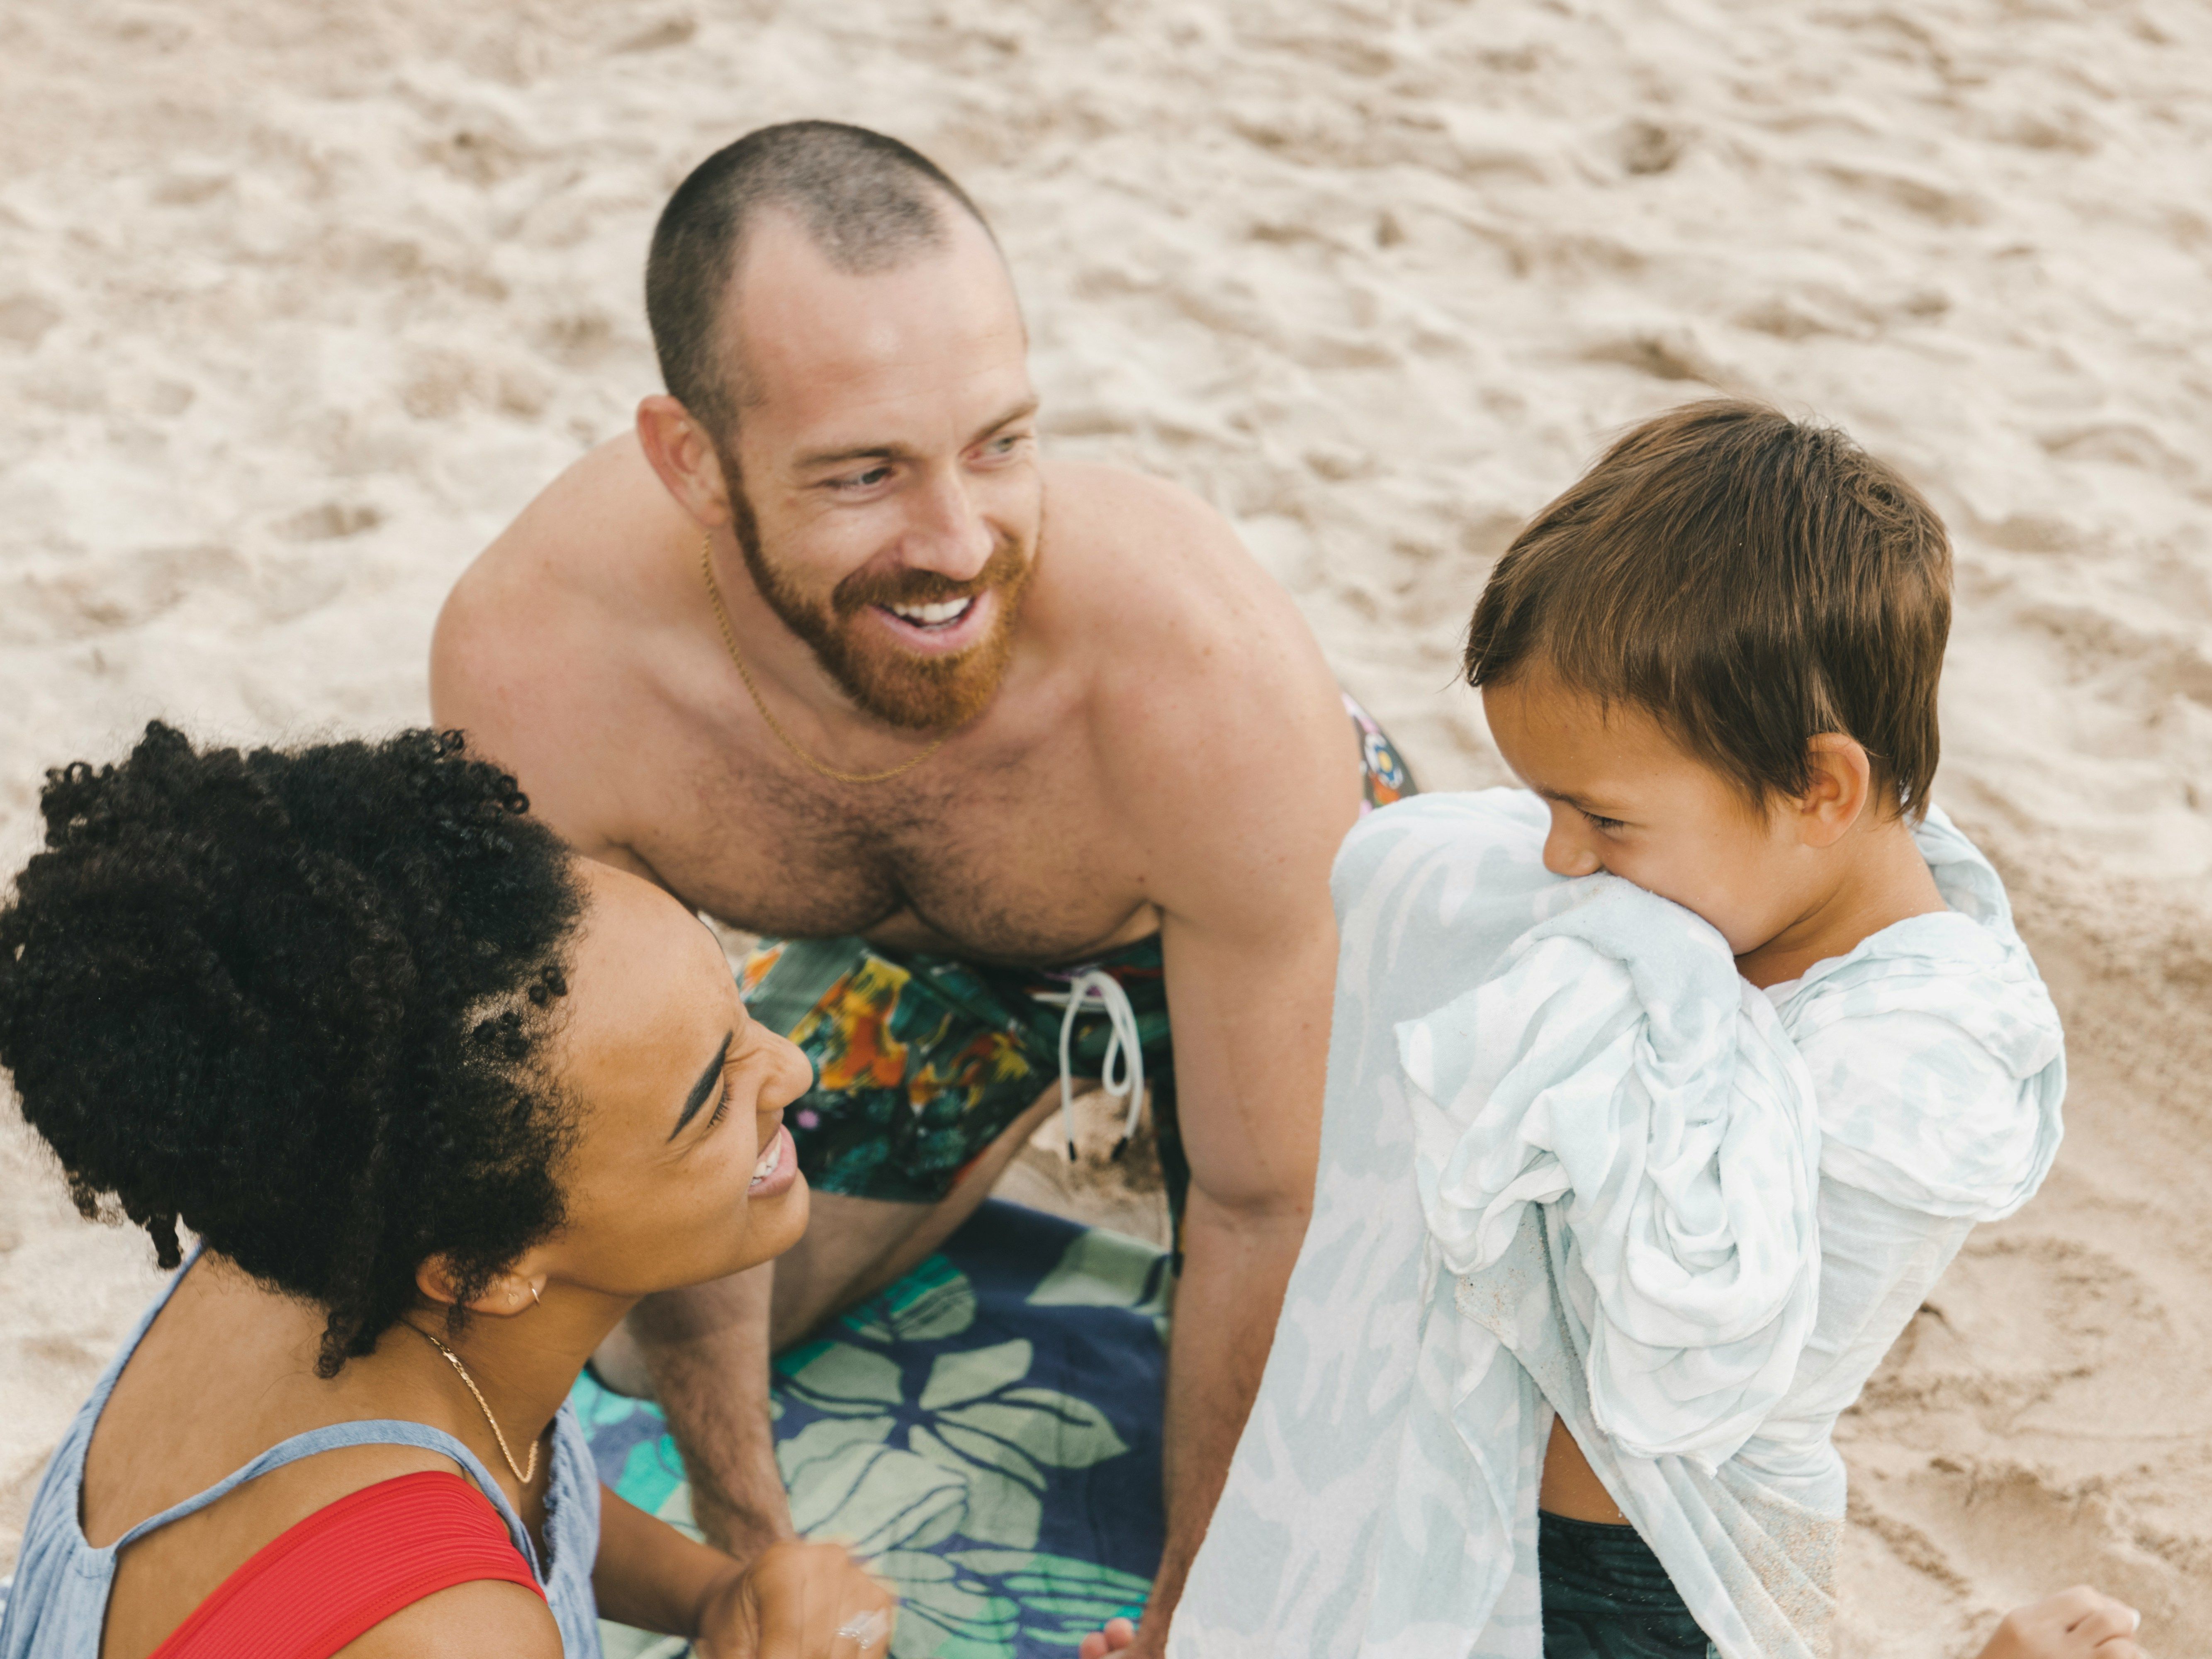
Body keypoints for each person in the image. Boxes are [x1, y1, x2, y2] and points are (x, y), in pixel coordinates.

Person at [429, 121, 1412, 1652]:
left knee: (1412, 1388)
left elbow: (1265, 1200)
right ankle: (1029, 1090)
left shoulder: (1200, 678)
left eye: (999, 443)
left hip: (1248, 930)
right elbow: (646, 1108)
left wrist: (1188, 1616)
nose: (958, 543)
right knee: (640, 1311)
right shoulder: (542, 672)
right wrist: (751, 1558)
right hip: (930, 969)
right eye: (864, 472)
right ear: (693, 462)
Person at [1167, 402, 2066, 1658]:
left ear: (1820, 789)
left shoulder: (1931, 1057)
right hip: (1477, 1487)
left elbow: (1676, 1338)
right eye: (1543, 804)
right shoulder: (1739, 881)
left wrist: (1634, 989)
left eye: (1603, 819)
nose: (1558, 857)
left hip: (1650, 1569)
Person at [0, 723, 895, 1658]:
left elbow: (510, 1479)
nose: (791, 1067)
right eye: (711, 1101)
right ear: (488, 1268)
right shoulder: (455, 1636)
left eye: (738, 1009)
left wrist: (715, 1595)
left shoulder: (321, 1243)